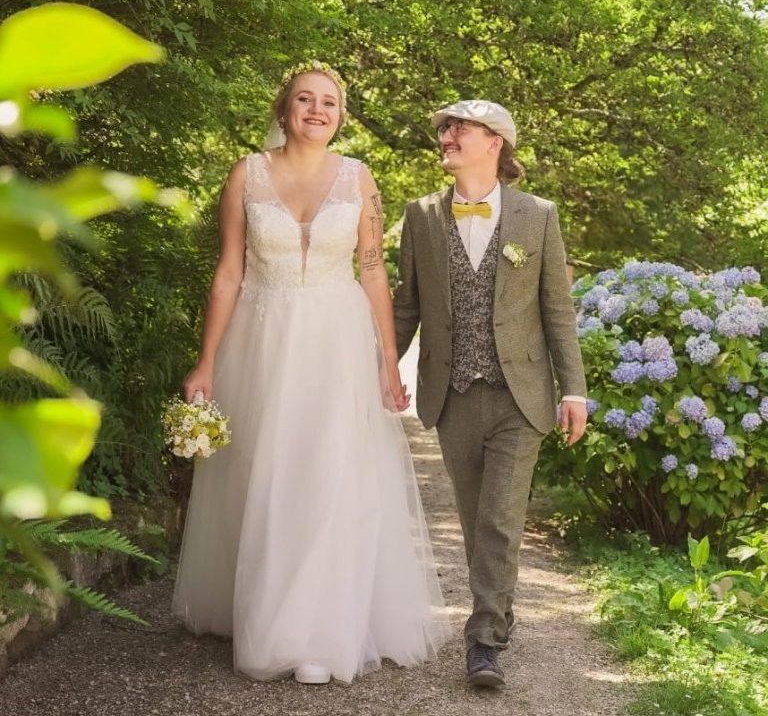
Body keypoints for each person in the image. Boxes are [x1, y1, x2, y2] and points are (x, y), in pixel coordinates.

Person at [172, 62, 449, 685]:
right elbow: (229, 272)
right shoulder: (246, 174)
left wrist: (388, 361)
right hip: (262, 341)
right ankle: (269, 620)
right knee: (267, 476)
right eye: (305, 99)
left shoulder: (359, 179)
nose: (317, 110)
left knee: (329, 475)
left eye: (329, 102)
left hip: (336, 344)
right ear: (284, 108)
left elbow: (372, 272)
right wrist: (206, 360)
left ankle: (320, 634)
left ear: (341, 116)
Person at [393, 99, 587, 688]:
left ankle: (483, 642)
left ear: (495, 142)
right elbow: (406, 307)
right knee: (476, 518)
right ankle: (498, 608)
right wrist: (377, 368)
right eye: (445, 129)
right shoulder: (420, 215)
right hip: (451, 394)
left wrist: (574, 390)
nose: (446, 136)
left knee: (500, 520)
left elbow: (557, 310)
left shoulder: (538, 216)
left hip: (519, 396)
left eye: (460, 128)